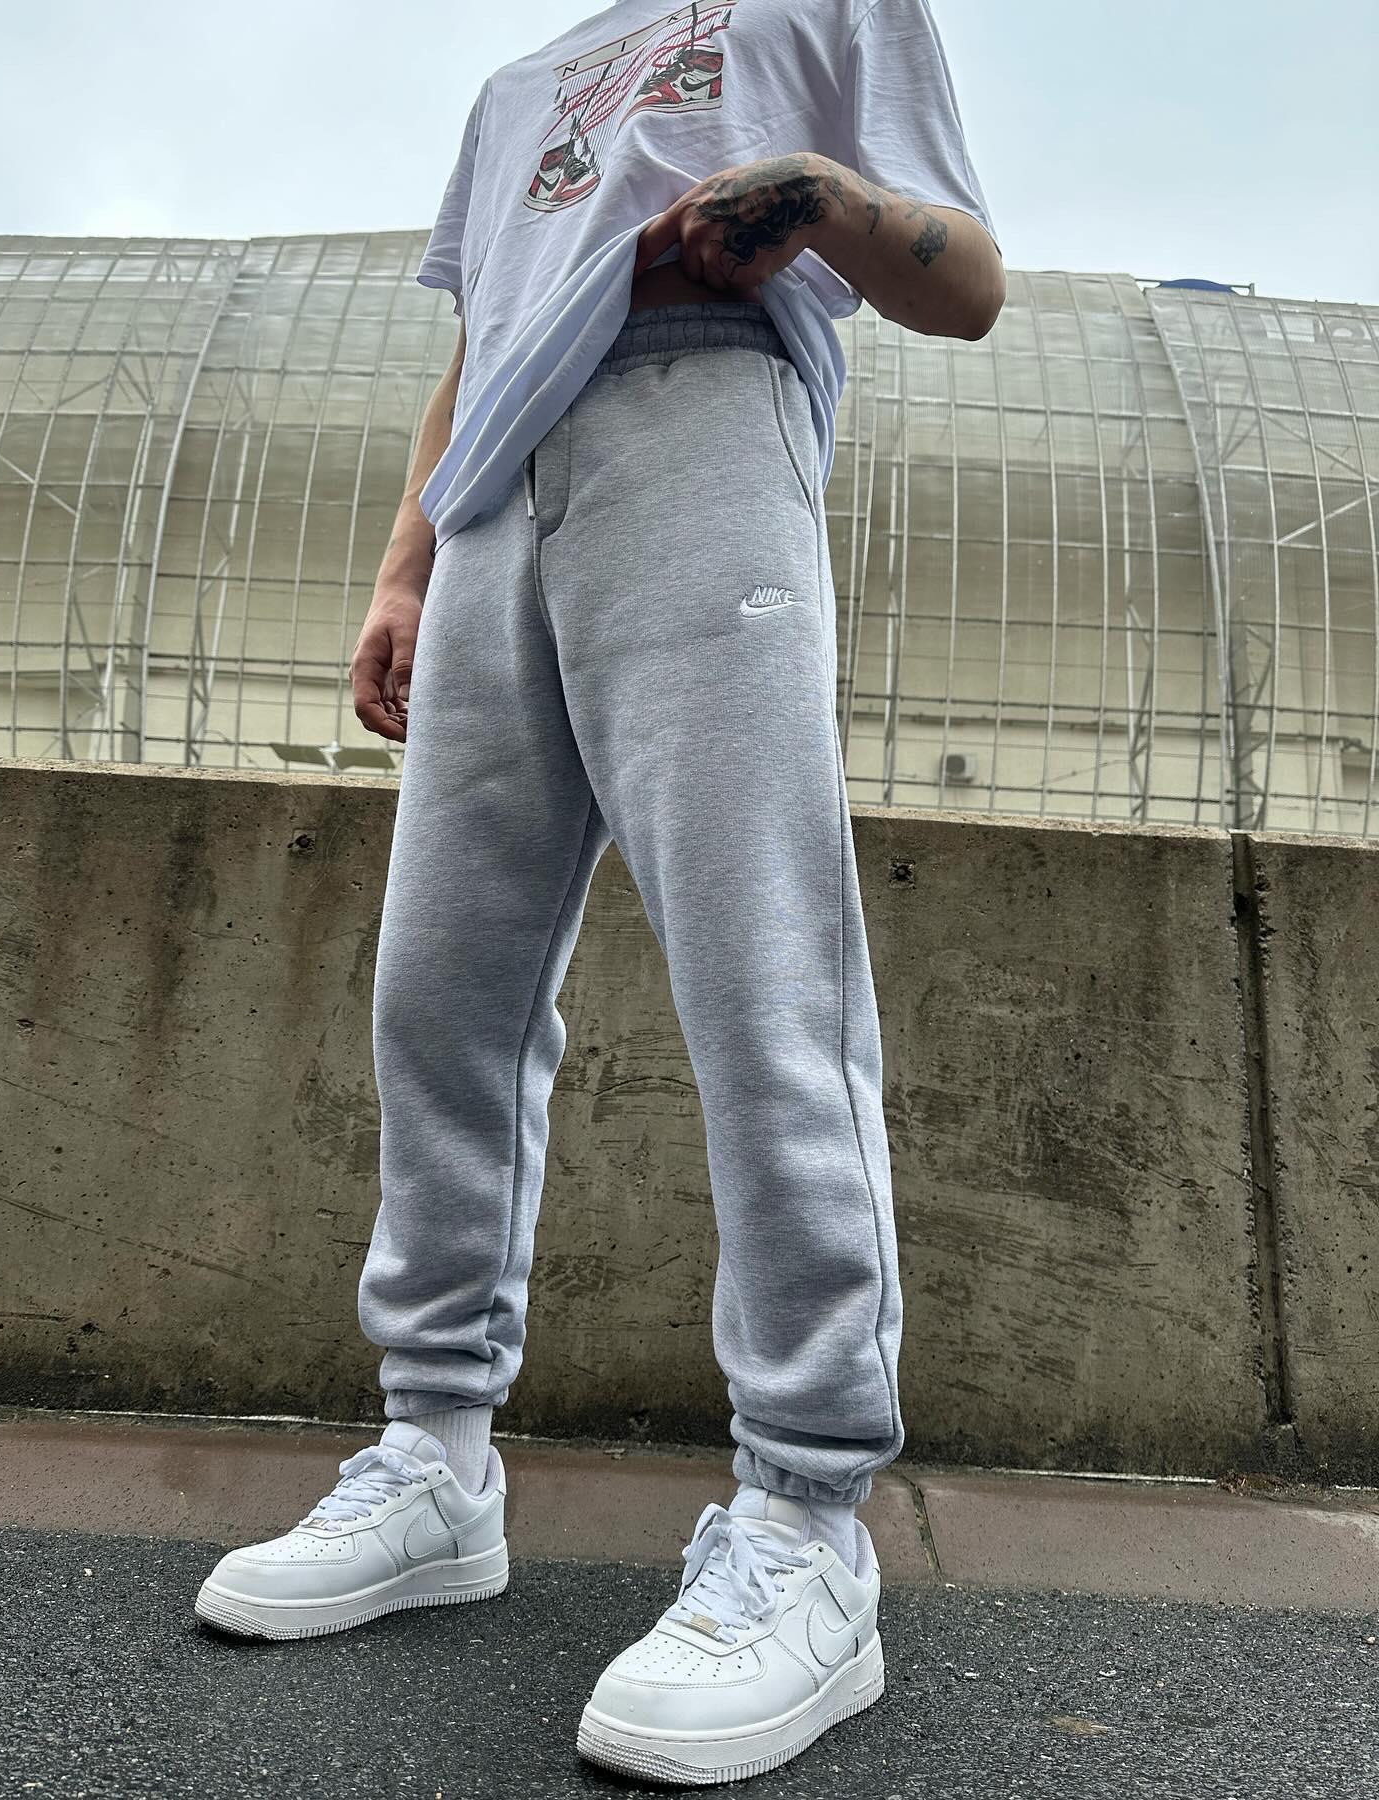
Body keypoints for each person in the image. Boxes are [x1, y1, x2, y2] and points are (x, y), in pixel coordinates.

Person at [196, 0, 1003, 1781]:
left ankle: (808, 1518)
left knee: (763, 968)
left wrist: (821, 200)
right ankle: (435, 1460)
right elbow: (486, 331)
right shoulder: (518, 86)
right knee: (441, 994)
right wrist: (407, 564)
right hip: (496, 507)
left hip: (701, 420)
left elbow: (967, 283)